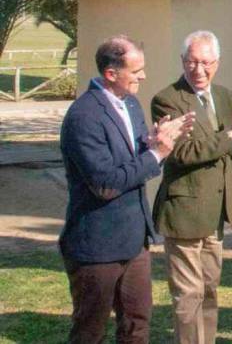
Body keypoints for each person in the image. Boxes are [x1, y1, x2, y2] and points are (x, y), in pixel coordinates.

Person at [59, 36, 193, 344]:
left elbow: (130, 158)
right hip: (97, 246)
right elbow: (105, 184)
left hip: (134, 241)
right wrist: (156, 154)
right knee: (89, 332)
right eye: (136, 71)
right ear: (110, 73)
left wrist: (152, 140)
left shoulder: (130, 104)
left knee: (137, 325)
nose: (143, 77)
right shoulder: (84, 117)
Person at [152, 30, 232, 344]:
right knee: (187, 295)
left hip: (215, 212)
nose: (199, 69)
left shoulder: (223, 95)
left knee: (209, 289)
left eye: (206, 62)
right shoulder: (167, 99)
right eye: (192, 62)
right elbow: (181, 153)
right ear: (182, 61)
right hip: (183, 212)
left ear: (217, 63)